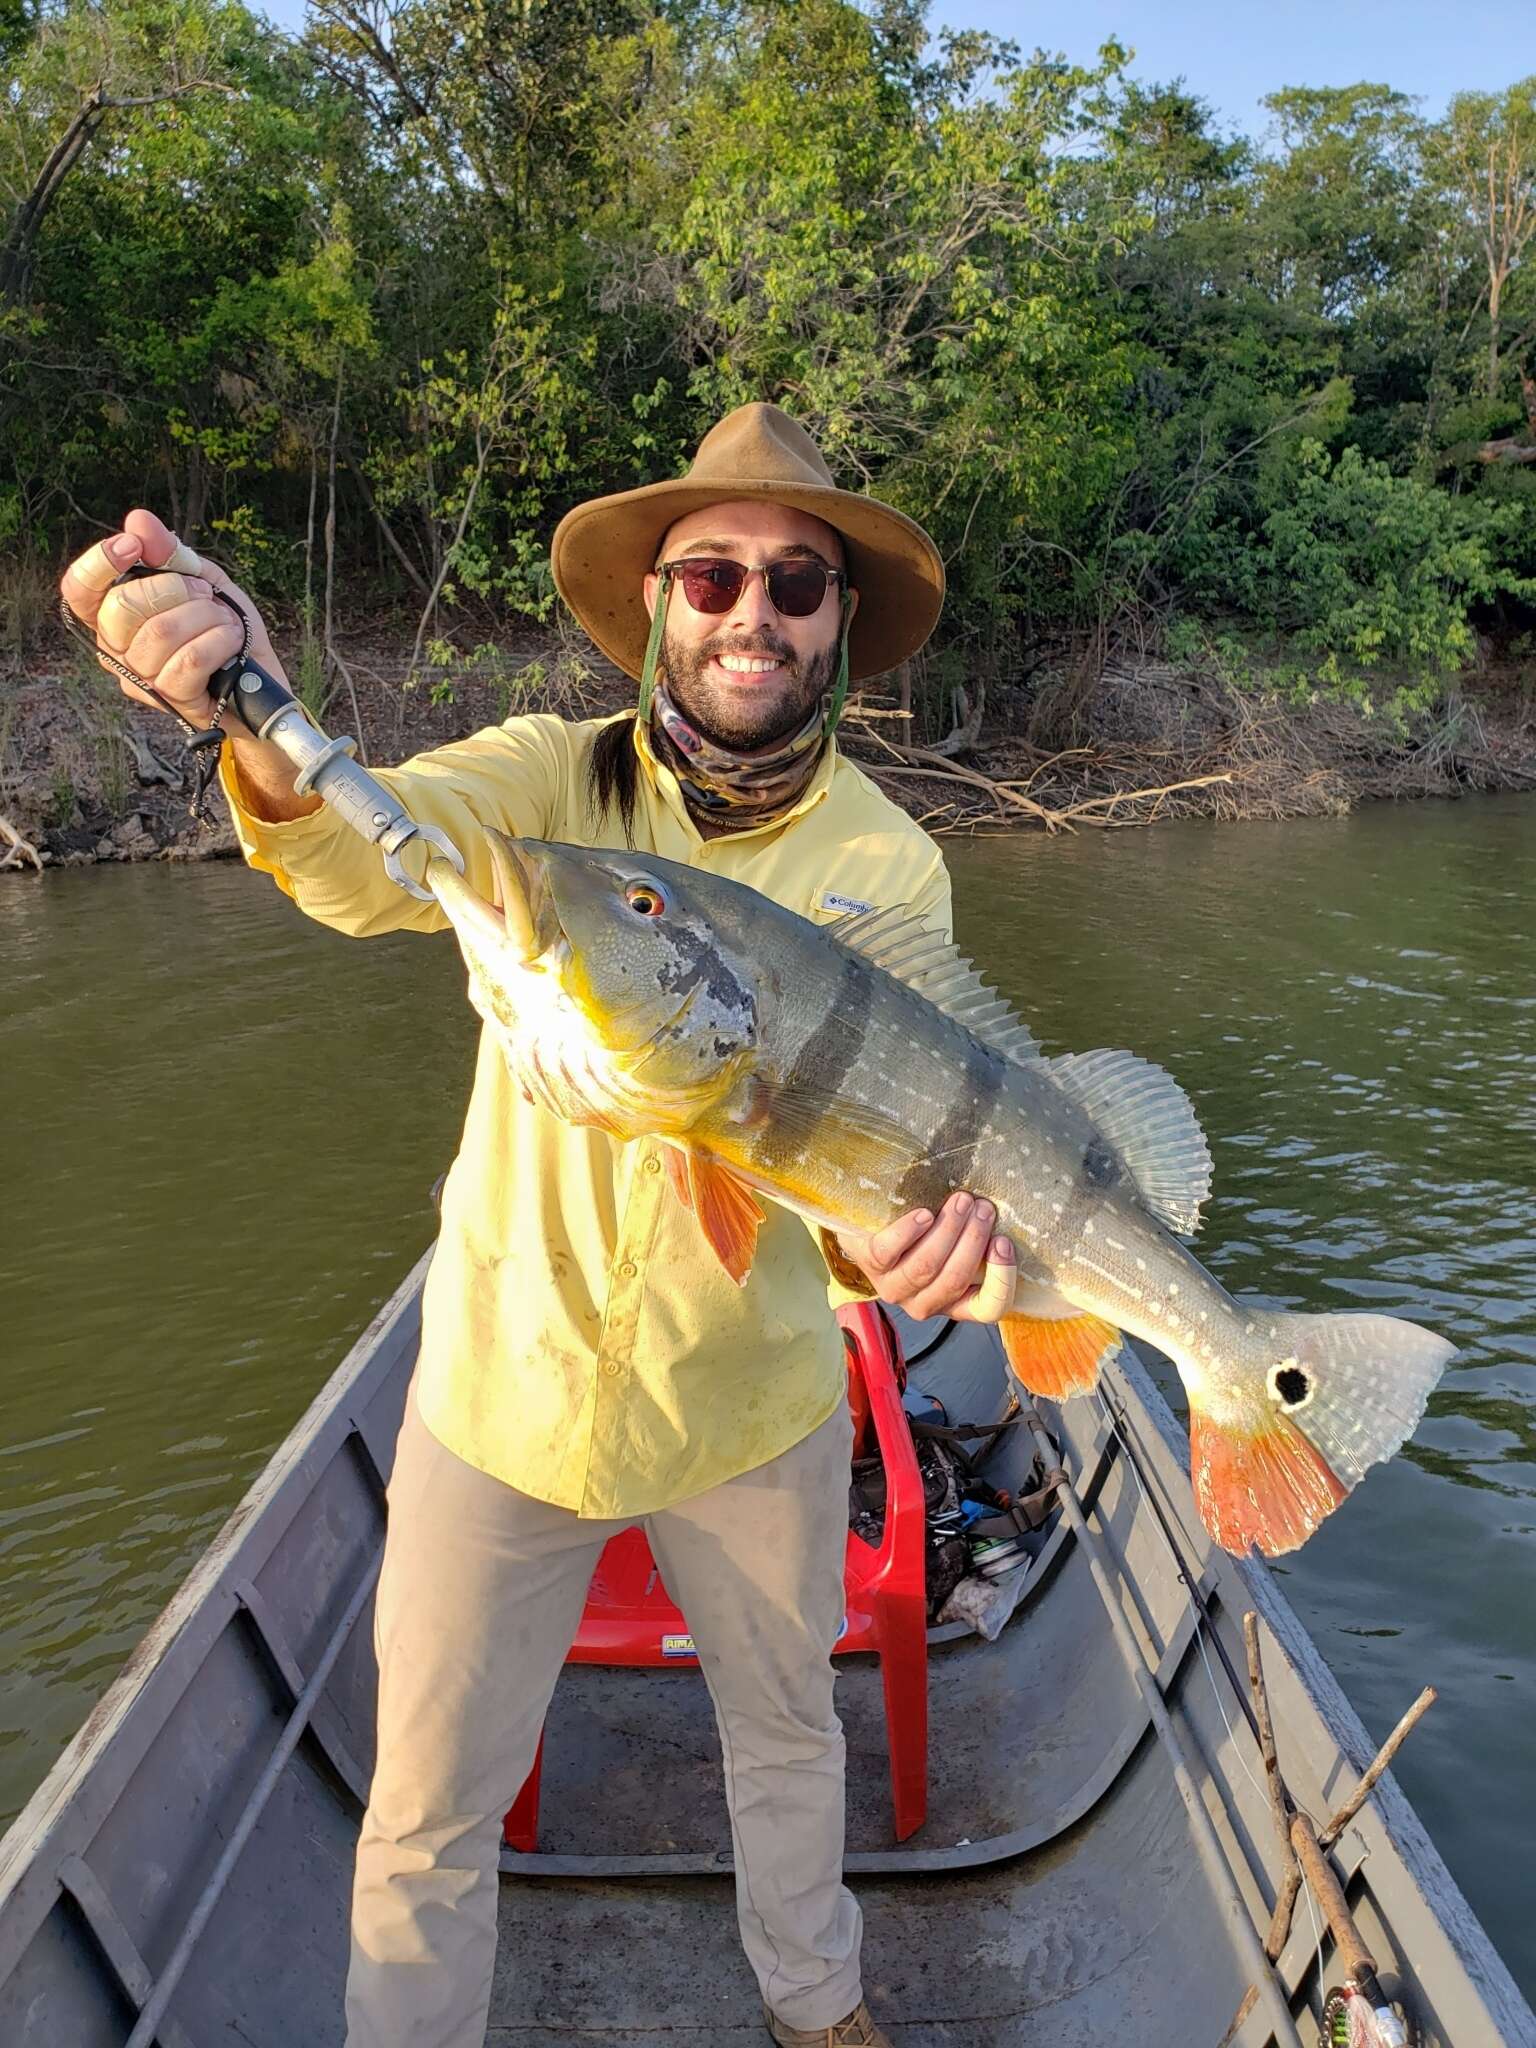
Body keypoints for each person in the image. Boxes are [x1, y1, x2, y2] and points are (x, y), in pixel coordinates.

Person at [61, 402, 1018, 2048]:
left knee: (789, 1738)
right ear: (656, 605)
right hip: (498, 1394)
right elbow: (366, 864)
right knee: (426, 1802)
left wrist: (898, 1259)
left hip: (754, 1401)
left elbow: (852, 1175)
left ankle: (816, 2005)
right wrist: (243, 694)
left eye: (798, 583)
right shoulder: (532, 784)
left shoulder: (886, 859)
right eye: (711, 575)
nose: (752, 611)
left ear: (842, 626)